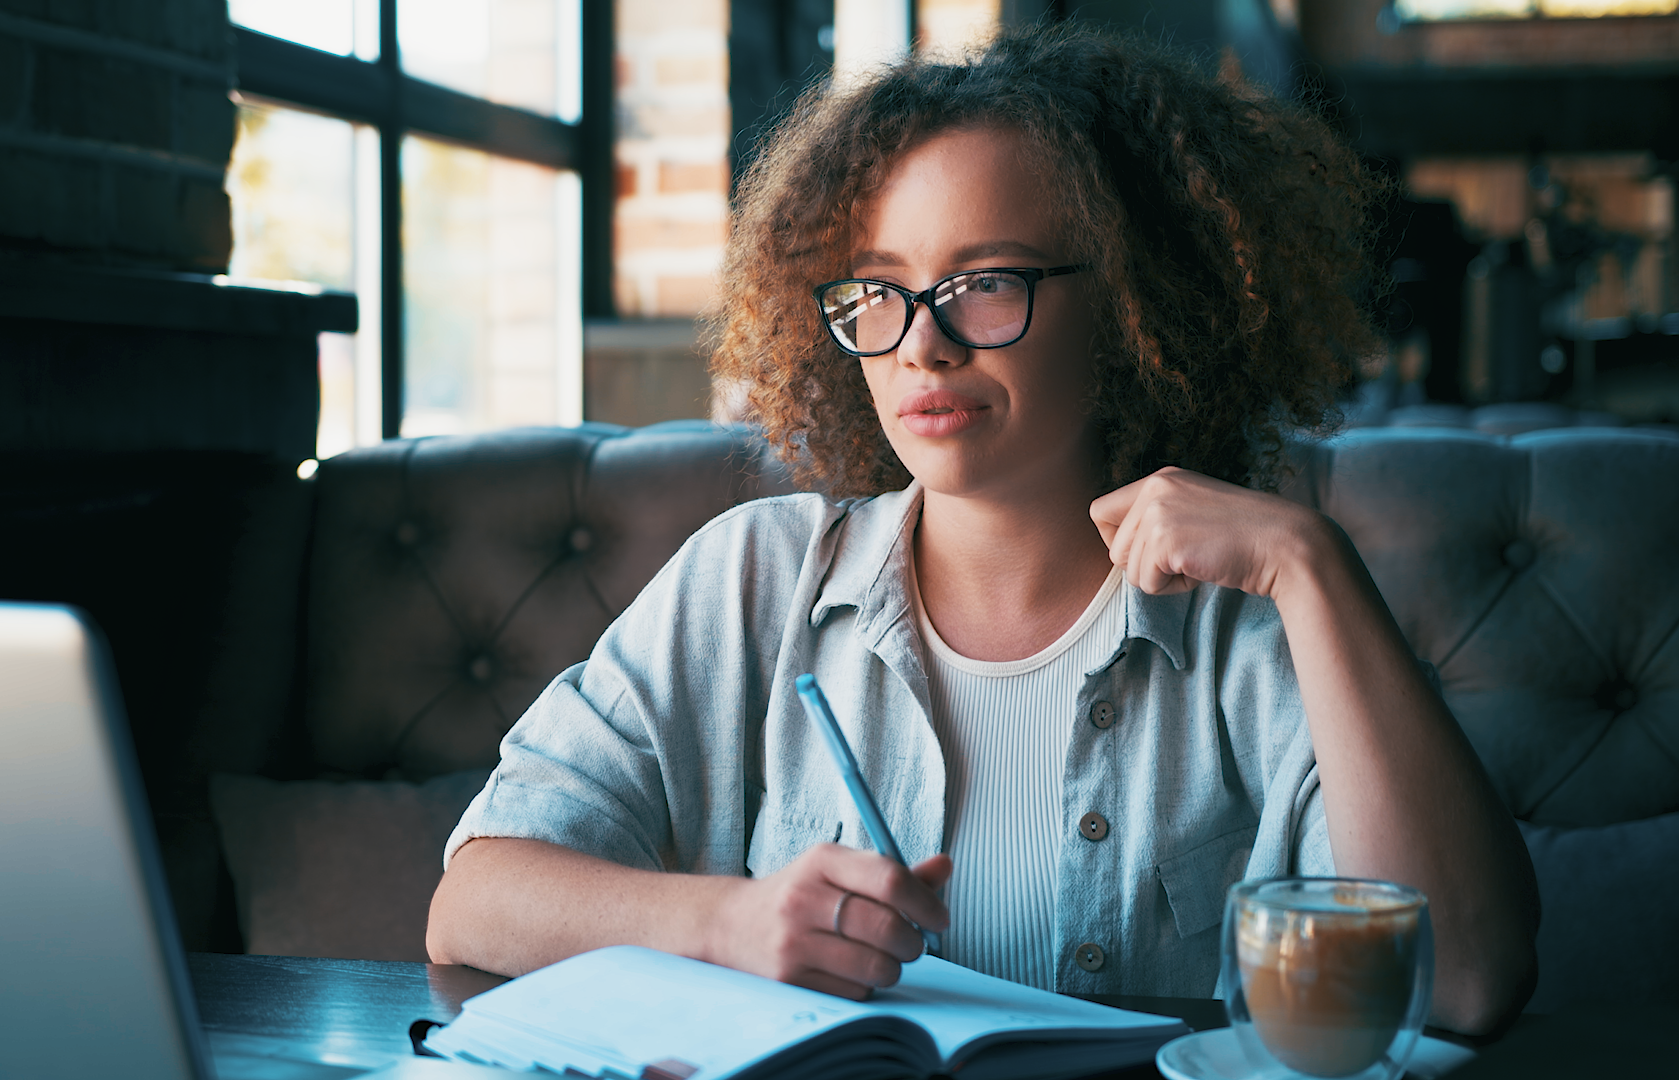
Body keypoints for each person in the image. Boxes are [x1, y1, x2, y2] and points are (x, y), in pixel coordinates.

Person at [427, 24, 1538, 1034]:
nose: (922, 346)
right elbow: (472, 902)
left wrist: (1311, 563)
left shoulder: (1255, 634)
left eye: (984, 283)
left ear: (1139, 304)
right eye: (880, 291)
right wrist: (728, 923)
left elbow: (1464, 980)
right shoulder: (754, 579)